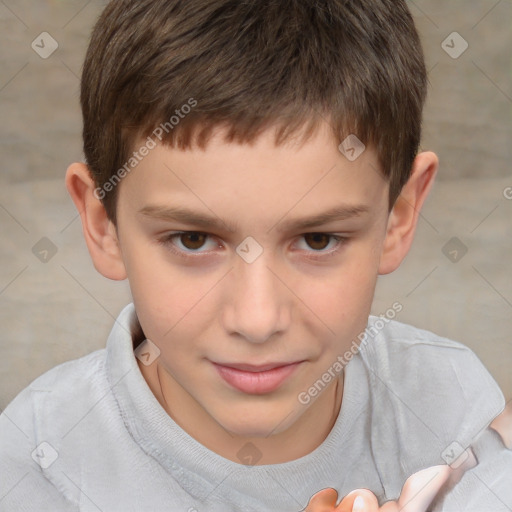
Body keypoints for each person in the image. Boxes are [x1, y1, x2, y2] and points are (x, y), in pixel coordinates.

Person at [1, 0, 510, 510]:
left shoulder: (451, 405)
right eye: (193, 240)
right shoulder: (35, 469)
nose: (258, 320)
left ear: (398, 216)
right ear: (102, 223)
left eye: (317, 240)